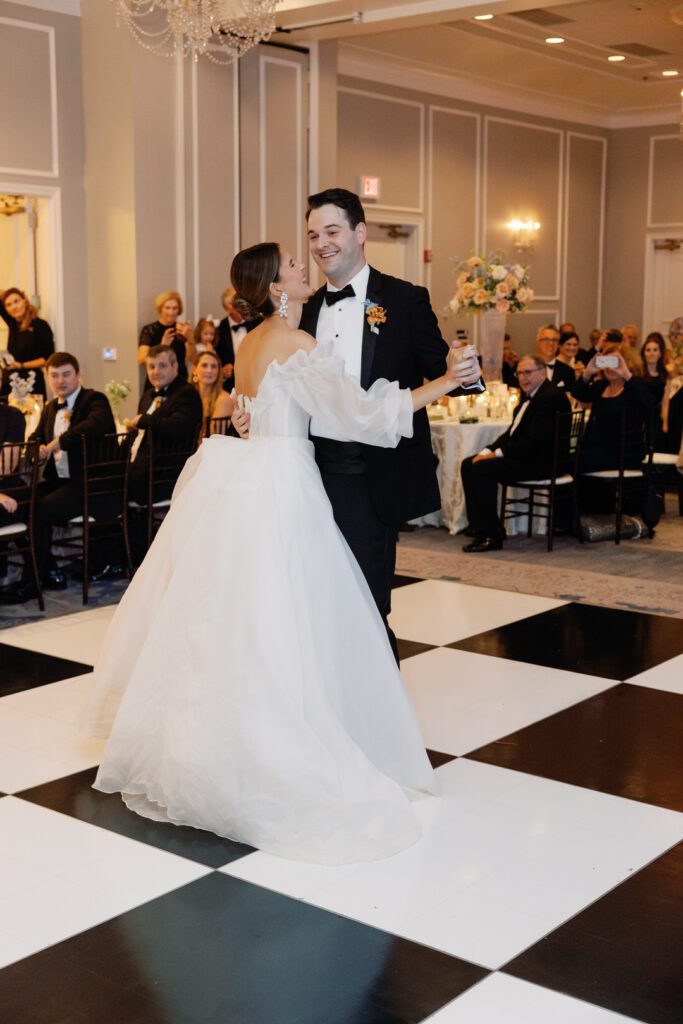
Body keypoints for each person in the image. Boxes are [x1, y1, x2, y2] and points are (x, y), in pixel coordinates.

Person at [84, 240, 473, 866]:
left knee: (241, 623)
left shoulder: (250, 342)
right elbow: (360, 414)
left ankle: (220, 744)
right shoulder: (296, 342)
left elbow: (252, 412)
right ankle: (280, 744)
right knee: (287, 618)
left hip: (247, 480)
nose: (304, 264)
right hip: (287, 482)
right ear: (276, 286)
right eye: (293, 263)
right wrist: (443, 383)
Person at [298, 188, 483, 659]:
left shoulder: (403, 299)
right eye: (314, 235)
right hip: (311, 472)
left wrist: (466, 371)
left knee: (367, 596)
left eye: (332, 231)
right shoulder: (308, 308)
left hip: (372, 472)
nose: (321, 243)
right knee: (318, 592)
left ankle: (381, 707)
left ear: (360, 233)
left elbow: (443, 369)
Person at [0, 352, 116, 604]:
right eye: (54, 376)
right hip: (61, 482)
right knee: (26, 503)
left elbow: (94, 425)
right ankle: (48, 570)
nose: (60, 381)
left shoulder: (94, 400)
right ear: (47, 377)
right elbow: (35, 439)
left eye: (66, 374)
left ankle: (32, 582)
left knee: (39, 512)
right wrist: (36, 454)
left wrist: (56, 443)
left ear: (78, 375)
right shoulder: (51, 408)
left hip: (90, 485)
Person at [460, 354, 571, 552]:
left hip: (543, 463)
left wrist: (494, 456)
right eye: (519, 373)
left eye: (528, 372)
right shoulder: (533, 396)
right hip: (528, 457)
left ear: (543, 372)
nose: (522, 377)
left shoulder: (550, 397)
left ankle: (491, 535)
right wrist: (487, 450)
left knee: (482, 469)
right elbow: (511, 434)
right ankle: (481, 526)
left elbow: (534, 442)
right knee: (469, 463)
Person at [571, 343, 655, 517]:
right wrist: (588, 372)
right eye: (606, 362)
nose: (610, 368)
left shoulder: (633, 387)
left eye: (615, 362)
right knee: (568, 459)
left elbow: (649, 403)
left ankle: (583, 515)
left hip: (623, 452)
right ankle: (583, 515)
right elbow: (579, 393)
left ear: (626, 363)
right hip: (597, 450)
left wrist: (626, 374)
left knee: (576, 462)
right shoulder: (601, 387)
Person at [127, 345, 203, 505]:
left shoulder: (187, 393)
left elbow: (178, 427)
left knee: (119, 485)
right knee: (106, 477)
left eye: (162, 366)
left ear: (175, 366)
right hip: (144, 463)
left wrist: (146, 420)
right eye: (151, 366)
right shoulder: (147, 395)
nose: (156, 372)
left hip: (166, 471)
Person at [0, 287, 54, 399]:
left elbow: (47, 358)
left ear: (25, 301)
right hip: (10, 384)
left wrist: (21, 365)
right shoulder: (13, 324)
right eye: (8, 304)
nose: (14, 307)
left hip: (32, 382)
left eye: (16, 301)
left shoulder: (40, 325)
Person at [137, 290, 191, 388]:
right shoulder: (149, 330)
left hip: (179, 382)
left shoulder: (182, 330)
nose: (171, 312)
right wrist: (163, 346)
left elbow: (192, 359)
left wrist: (191, 340)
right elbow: (140, 360)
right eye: (167, 308)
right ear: (160, 309)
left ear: (179, 310)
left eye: (175, 308)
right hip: (156, 381)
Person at [215, 287, 262, 392]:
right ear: (228, 308)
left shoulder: (258, 323)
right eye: (238, 301)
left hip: (258, 384)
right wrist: (222, 372)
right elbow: (216, 362)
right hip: (231, 389)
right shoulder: (219, 331)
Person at [192, 348, 234, 434]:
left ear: (219, 371)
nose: (209, 370)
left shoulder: (224, 399)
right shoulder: (189, 395)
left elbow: (213, 439)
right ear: (194, 369)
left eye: (214, 366)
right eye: (204, 365)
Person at [536, 324, 575, 389]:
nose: (551, 343)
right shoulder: (527, 368)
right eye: (546, 339)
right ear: (538, 343)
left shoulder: (568, 371)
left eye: (554, 340)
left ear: (558, 345)